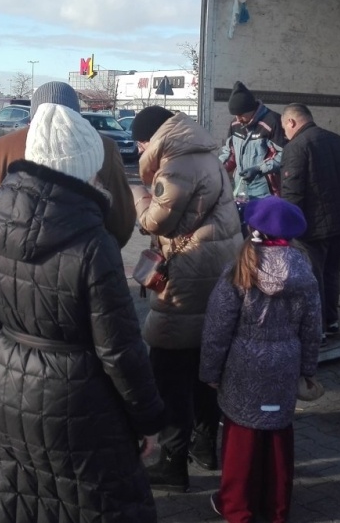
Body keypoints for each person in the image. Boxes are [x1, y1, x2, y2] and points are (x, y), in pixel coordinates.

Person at [0, 102, 166, 523]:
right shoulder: (94, 242)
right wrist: (147, 418)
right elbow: (120, 349)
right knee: (88, 501)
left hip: (9, 381)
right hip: (80, 398)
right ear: (82, 167)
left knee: (19, 498)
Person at [130, 105, 243, 489]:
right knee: (203, 367)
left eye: (140, 141)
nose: (140, 148)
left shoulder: (178, 163)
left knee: (169, 371)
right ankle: (205, 447)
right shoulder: (203, 155)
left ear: (151, 137)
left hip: (189, 279)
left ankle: (172, 464)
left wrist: (138, 196)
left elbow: (157, 221)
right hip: (214, 273)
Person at [200, 196, 321, 523]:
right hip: (285, 364)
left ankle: (237, 508)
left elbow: (217, 327)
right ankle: (277, 509)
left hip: (243, 366)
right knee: (279, 438)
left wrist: (210, 371)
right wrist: (308, 369)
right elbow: (313, 328)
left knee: (241, 440)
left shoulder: (239, 268)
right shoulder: (305, 271)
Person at [0, 81, 136, 247]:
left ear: (33, 114)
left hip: (11, 259)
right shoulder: (104, 147)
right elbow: (122, 223)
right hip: (85, 261)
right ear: (76, 114)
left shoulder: (1, 149)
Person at [280, 103, 340, 337]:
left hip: (311, 228)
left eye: (284, 127)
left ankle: (317, 331)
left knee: (312, 278)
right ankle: (332, 322)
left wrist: (287, 229)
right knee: (331, 274)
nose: (285, 134)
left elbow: (292, 194)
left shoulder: (296, 147)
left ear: (292, 122)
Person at [218, 81, 286, 200]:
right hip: (241, 189)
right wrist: (215, 169)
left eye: (240, 114)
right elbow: (229, 153)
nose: (238, 119)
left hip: (266, 191)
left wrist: (259, 169)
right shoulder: (235, 124)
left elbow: (284, 155)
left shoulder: (272, 122)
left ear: (251, 109)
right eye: (235, 115)